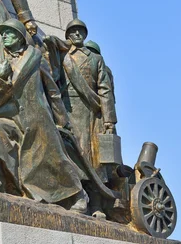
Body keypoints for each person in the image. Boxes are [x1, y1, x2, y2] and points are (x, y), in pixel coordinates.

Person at [0, 19, 87, 213]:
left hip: (37, 118)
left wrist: (62, 120)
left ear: (21, 37)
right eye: (3, 33)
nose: (4, 36)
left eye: (9, 32)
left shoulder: (36, 57)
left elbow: (52, 90)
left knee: (56, 157)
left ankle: (78, 195)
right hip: (9, 116)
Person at [44, 19, 117, 218]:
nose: (77, 35)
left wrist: (109, 120)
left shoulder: (95, 59)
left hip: (90, 111)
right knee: (69, 153)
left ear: (84, 35)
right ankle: (75, 196)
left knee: (93, 158)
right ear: (67, 35)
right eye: (73, 32)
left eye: (80, 32)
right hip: (66, 109)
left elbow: (105, 89)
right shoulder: (63, 55)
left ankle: (97, 204)